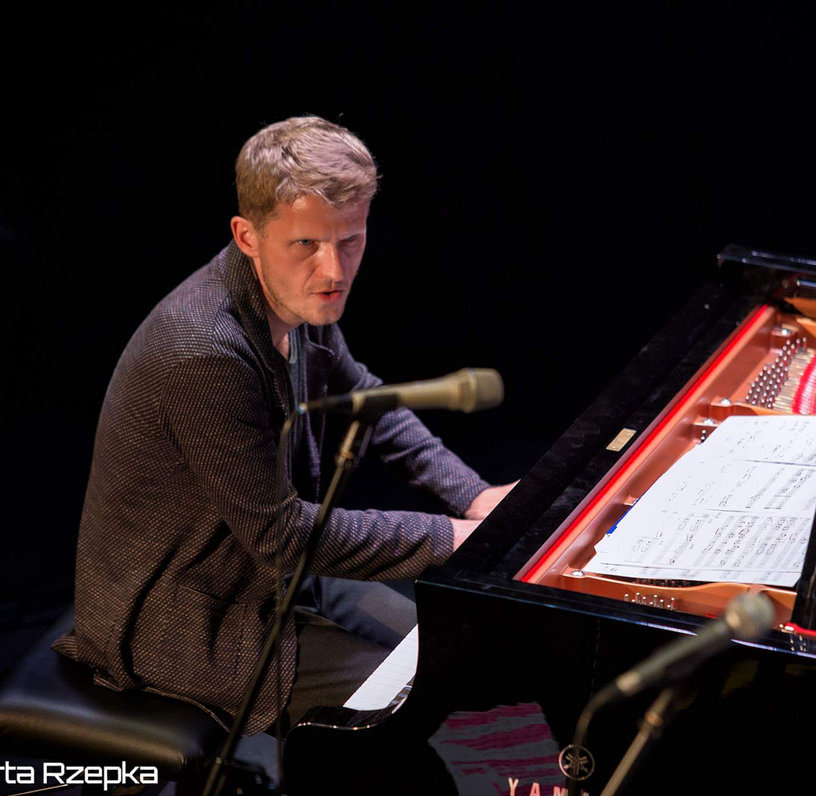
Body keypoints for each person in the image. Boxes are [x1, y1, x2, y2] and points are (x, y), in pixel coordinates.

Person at [54, 116, 513, 736]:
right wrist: (454, 537)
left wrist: (475, 495)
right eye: (306, 244)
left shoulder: (297, 301)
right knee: (423, 711)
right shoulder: (203, 351)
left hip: (271, 578)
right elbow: (282, 536)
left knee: (465, 651)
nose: (334, 270)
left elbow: (367, 400)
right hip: (184, 617)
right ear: (247, 236)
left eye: (350, 240)